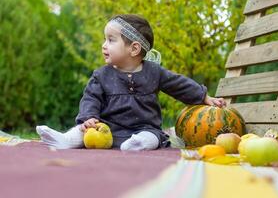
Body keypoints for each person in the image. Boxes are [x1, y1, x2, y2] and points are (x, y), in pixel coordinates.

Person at [36, 14, 226, 151]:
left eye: (111, 40)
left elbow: (179, 85)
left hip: (144, 128)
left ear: (134, 49)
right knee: (82, 131)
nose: (104, 45)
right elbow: (90, 98)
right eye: (105, 39)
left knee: (151, 138)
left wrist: (203, 96)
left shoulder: (154, 72)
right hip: (105, 130)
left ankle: (137, 144)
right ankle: (65, 140)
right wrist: (88, 118)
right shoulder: (101, 75)